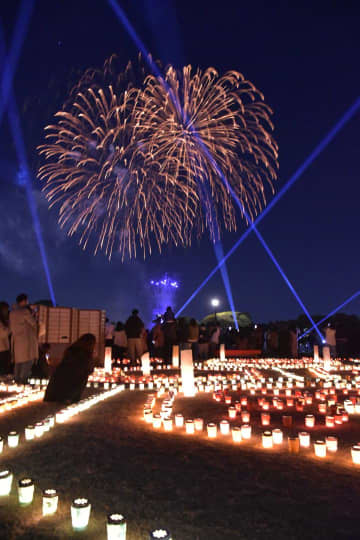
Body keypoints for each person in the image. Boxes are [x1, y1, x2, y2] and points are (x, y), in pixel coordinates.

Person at [44, 333, 96, 403]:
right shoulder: (85, 354)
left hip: (56, 382)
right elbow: (89, 370)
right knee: (82, 377)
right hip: (73, 381)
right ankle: (69, 398)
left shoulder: (71, 349)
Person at [9, 294, 38, 384]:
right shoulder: (24, 311)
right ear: (24, 301)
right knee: (27, 360)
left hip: (16, 340)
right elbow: (33, 323)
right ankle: (23, 380)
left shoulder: (12, 312)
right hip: (26, 339)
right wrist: (34, 314)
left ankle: (17, 379)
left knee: (18, 361)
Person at [0, 302, 11, 375]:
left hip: (4, 348)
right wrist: (10, 327)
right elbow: (3, 334)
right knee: (3, 369)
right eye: (5, 309)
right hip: (2, 348)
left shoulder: (4, 320)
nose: (7, 311)